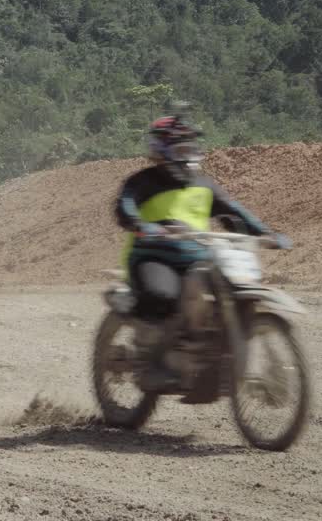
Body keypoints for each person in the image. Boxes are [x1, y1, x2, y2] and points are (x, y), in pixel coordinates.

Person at [115, 112, 283, 391]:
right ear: (161, 151)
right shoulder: (142, 182)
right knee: (163, 295)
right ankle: (147, 362)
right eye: (180, 149)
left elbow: (233, 212)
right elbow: (125, 207)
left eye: (191, 149)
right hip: (153, 256)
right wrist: (143, 226)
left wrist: (265, 233)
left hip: (197, 256)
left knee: (229, 290)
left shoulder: (204, 184)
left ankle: (207, 353)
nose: (188, 156)